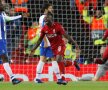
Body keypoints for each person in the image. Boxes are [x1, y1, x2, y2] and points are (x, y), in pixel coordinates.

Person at [30, 12, 80, 85]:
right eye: (45, 18)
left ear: (51, 18)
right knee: (62, 63)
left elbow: (66, 36)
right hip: (52, 47)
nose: (45, 19)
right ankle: (73, 62)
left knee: (58, 59)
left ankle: (62, 79)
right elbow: (40, 40)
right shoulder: (44, 28)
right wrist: (34, 49)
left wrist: (75, 44)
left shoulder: (58, 26)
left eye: (47, 17)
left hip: (60, 45)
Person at [35, 3, 69, 83]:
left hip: (44, 42)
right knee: (54, 59)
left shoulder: (42, 17)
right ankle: (59, 78)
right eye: (50, 8)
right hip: (47, 42)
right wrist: (46, 42)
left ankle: (37, 78)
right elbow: (42, 30)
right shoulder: (45, 18)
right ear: (46, 9)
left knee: (42, 59)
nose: (52, 9)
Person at [0, 3, 23, 84]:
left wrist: (20, 16)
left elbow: (8, 18)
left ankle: (13, 79)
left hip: (3, 39)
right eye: (1, 5)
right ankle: (13, 79)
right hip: (0, 40)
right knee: (4, 58)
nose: (3, 7)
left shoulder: (2, 14)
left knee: (4, 58)